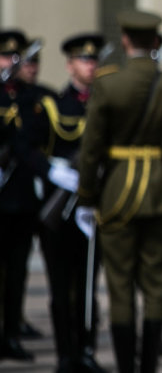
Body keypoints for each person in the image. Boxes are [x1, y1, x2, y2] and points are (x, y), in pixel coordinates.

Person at [76, 10, 162, 373]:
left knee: (120, 287)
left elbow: (91, 147)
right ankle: (149, 367)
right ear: (157, 43)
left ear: (126, 41)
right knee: (155, 287)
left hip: (117, 192)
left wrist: (86, 196)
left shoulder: (108, 82)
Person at [31, 34, 109, 372]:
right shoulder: (52, 106)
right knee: (61, 288)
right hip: (58, 210)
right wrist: (52, 170)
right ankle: (66, 355)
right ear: (70, 65)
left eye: (93, 61)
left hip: (94, 209)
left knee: (89, 286)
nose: (89, 66)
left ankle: (87, 352)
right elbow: (24, 147)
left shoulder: (107, 106)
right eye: (83, 60)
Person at [0, 29, 46, 361]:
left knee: (17, 269)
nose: (11, 63)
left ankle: (11, 331)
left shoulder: (32, 98)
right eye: (4, 56)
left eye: (15, 58)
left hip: (21, 197)